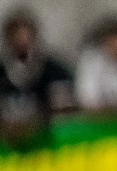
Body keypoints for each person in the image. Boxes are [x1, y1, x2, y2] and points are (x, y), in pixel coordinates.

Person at [0, 8, 75, 150]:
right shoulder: (3, 73)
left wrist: (35, 123)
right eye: (15, 37)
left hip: (50, 148)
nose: (22, 44)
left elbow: (67, 112)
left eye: (26, 37)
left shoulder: (55, 71)